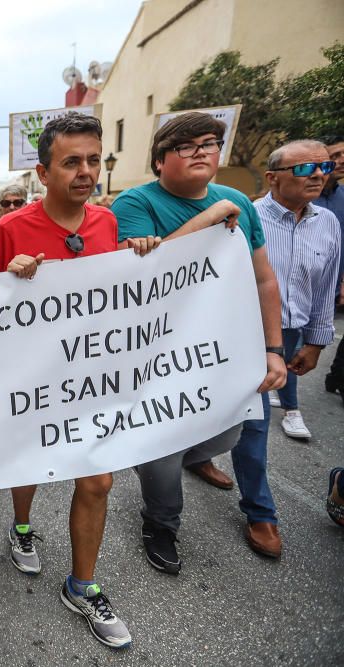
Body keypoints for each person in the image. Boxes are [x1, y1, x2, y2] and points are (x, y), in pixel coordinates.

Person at [0, 113, 155, 649]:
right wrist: (5, 275)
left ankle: (83, 585)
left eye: (94, 160)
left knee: (99, 481)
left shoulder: (108, 224)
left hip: (96, 377)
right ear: (43, 171)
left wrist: (142, 254)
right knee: (31, 464)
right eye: (71, 162)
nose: (86, 171)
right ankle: (22, 525)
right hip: (33, 380)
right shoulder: (9, 230)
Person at [111, 111, 287, 567]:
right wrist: (209, 217)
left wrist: (273, 349)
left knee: (237, 426)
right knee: (159, 448)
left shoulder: (238, 202)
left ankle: (203, 462)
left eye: (209, 143)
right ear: (159, 160)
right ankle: (161, 522)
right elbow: (144, 278)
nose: (201, 153)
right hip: (159, 354)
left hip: (228, 348)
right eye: (186, 146)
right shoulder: (134, 204)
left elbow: (263, 279)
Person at [257, 140, 340, 442]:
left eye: (325, 166)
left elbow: (324, 288)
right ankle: (256, 491)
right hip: (248, 333)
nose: (319, 174)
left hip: (294, 332)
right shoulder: (247, 218)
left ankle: (291, 409)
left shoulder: (328, 222)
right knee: (255, 423)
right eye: (305, 168)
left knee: (256, 418)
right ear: (272, 177)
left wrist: (316, 343)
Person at [315, 135, 344, 404]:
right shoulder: (298, 197)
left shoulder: (342, 199)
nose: (340, 161)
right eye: (334, 156)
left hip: (331, 284)